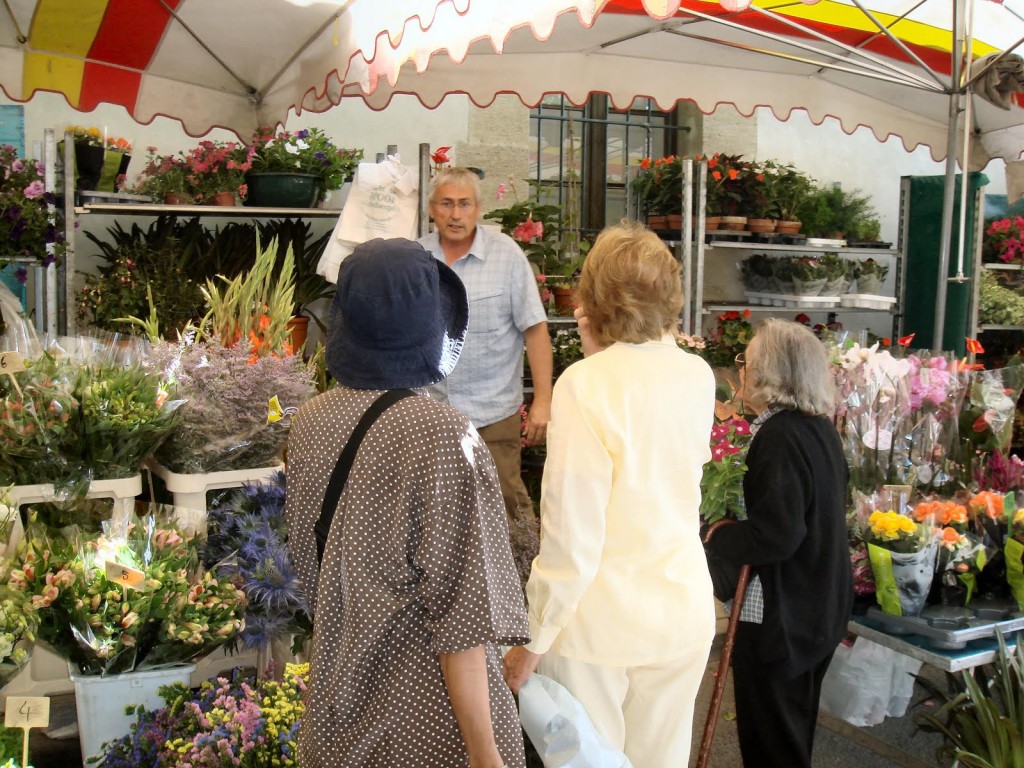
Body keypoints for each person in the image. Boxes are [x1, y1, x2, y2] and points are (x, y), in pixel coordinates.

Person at [285, 238, 529, 768]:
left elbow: (308, 565)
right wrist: (487, 754)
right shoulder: (443, 435)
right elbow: (462, 618)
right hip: (426, 719)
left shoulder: (310, 423)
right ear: (429, 326)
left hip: (337, 705)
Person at [503, 221, 718, 767]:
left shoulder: (585, 384)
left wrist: (535, 637)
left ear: (591, 297)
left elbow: (572, 536)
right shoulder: (697, 375)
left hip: (600, 624)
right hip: (681, 610)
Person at [705, 317, 853, 768]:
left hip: (784, 615)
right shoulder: (819, 429)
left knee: (771, 741)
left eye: (745, 364)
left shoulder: (779, 435)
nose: (741, 373)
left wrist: (715, 536)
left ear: (769, 374)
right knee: (792, 731)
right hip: (819, 606)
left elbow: (777, 535)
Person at [418, 166, 552, 525]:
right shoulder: (416, 259)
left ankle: (520, 579)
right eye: (446, 204)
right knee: (436, 514)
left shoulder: (507, 256)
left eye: (464, 204)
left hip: (493, 415)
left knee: (506, 511)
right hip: (431, 414)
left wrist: (542, 400)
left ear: (478, 208)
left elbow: (536, 330)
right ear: (432, 208)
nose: (456, 214)